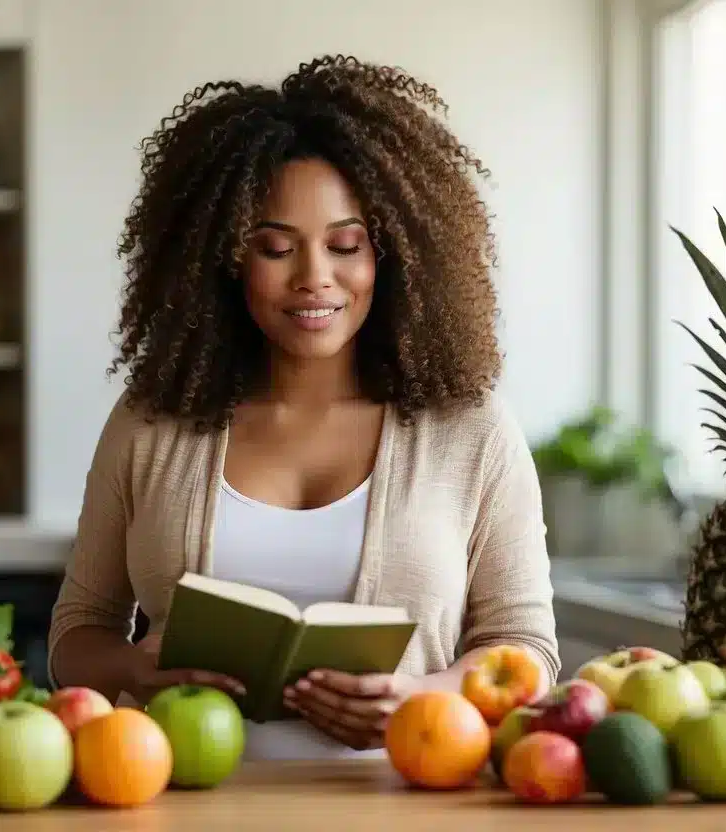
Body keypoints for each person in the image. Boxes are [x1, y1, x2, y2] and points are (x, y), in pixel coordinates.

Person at [47, 54, 560, 761]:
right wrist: (136, 666)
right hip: (179, 805)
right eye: (275, 247)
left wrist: (429, 696)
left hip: (402, 806)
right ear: (223, 258)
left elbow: (526, 650)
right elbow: (76, 637)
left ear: (395, 254)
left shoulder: (471, 431)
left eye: (346, 245)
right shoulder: (150, 421)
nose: (314, 278)